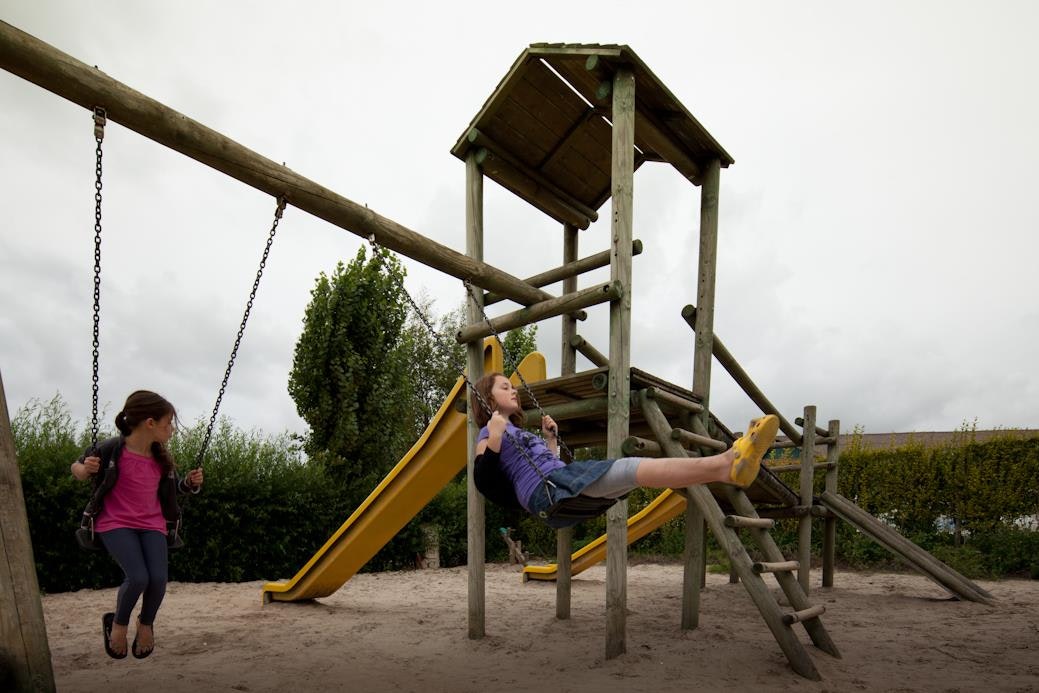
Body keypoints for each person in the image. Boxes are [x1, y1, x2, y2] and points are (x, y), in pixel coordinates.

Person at [470, 373, 780, 528]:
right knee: (631, 467)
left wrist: (551, 441)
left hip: (557, 485)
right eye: (505, 387)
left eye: (513, 385)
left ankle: (728, 465)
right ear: (488, 398)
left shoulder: (519, 432)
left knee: (632, 475)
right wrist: (495, 437)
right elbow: (482, 480)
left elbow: (549, 467)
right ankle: (727, 464)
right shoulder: (489, 432)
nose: (514, 390)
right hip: (545, 494)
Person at [71, 390, 203, 660]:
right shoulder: (110, 449)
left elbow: (171, 490)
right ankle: (118, 624)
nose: (173, 430)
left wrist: (188, 484)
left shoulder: (161, 459)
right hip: (115, 522)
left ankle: (146, 624)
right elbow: (77, 467)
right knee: (139, 577)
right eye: (169, 423)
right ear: (150, 423)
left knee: (158, 580)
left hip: (152, 524)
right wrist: (85, 470)